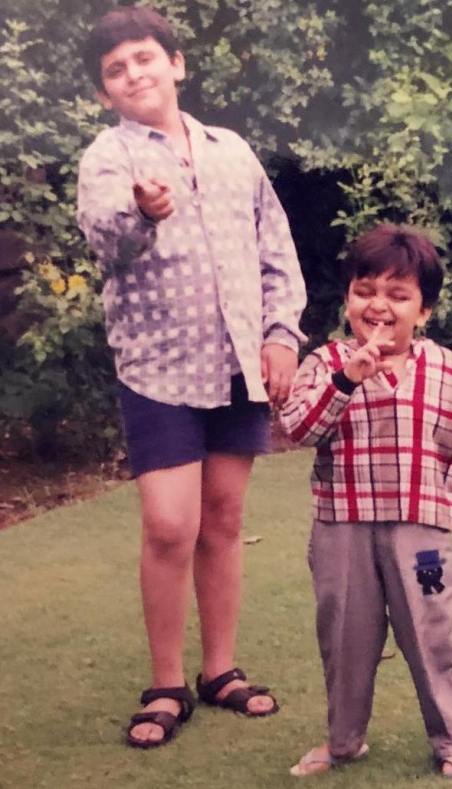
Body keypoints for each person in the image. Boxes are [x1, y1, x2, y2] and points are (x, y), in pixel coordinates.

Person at [77, 5, 306, 748]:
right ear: (105, 92)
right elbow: (107, 241)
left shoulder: (232, 150)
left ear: (175, 64)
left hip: (239, 365)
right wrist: (143, 212)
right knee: (172, 523)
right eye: (115, 69)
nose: (133, 72)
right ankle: (167, 681)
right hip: (158, 367)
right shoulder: (109, 159)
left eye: (144, 57)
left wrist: (280, 334)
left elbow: (276, 247)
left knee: (226, 518)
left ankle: (220, 670)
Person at [279, 223, 452, 778]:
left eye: (398, 294)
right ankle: (343, 742)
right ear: (348, 298)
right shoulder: (326, 364)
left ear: (425, 310)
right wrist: (347, 380)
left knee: (431, 632)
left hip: (423, 532)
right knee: (345, 637)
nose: (379, 306)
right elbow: (298, 427)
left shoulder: (448, 370)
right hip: (343, 527)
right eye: (365, 291)